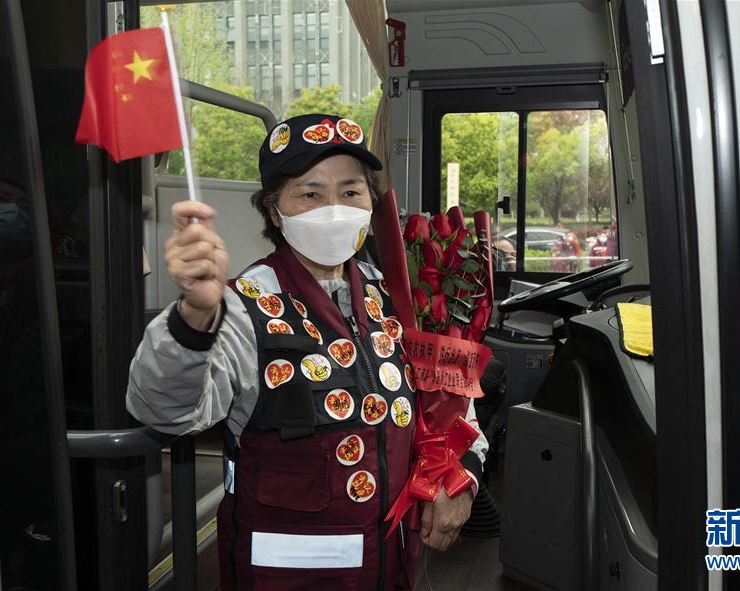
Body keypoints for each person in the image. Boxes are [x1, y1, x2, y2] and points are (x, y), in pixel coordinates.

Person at [126, 114, 488, 590]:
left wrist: (463, 477)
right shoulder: (242, 306)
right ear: (275, 211)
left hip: (392, 567)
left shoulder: (401, 297)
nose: (333, 209)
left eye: (351, 191)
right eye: (311, 194)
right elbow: (164, 412)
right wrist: (192, 316)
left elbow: (454, 405)